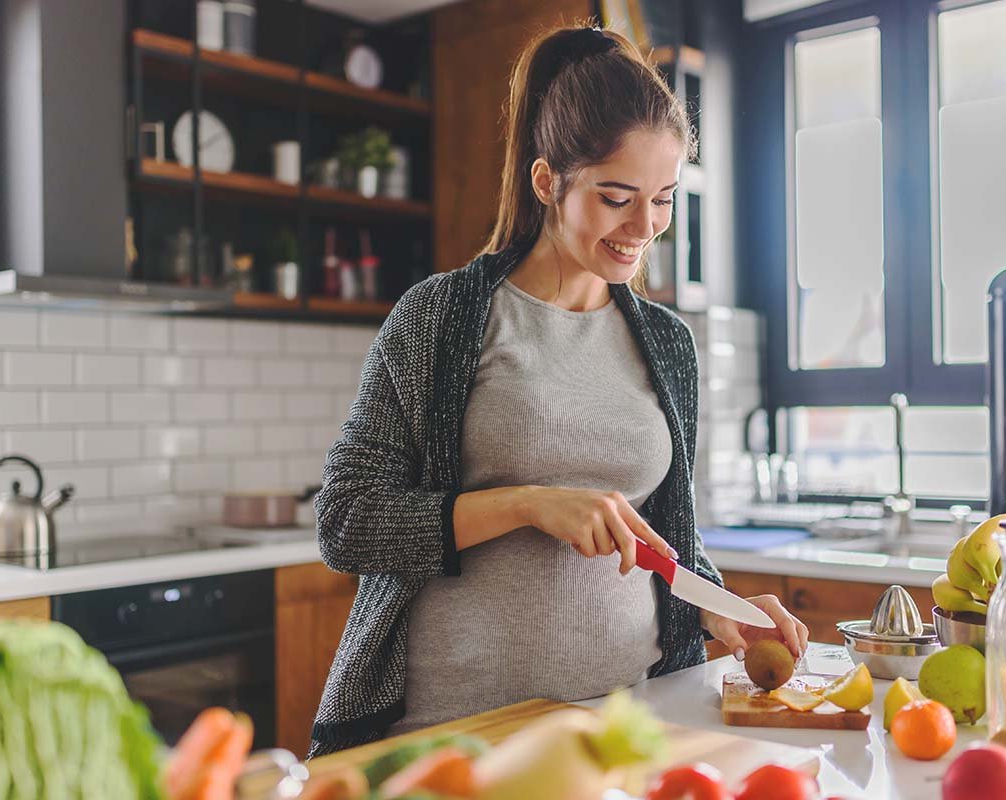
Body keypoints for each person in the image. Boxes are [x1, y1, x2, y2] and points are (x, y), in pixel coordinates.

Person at [308, 22, 808, 758]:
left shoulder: (668, 343)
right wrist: (527, 504)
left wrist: (718, 605)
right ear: (548, 182)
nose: (645, 227)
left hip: (622, 729)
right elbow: (347, 522)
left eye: (663, 199)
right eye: (617, 197)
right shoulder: (441, 317)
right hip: (457, 738)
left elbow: (659, 537)